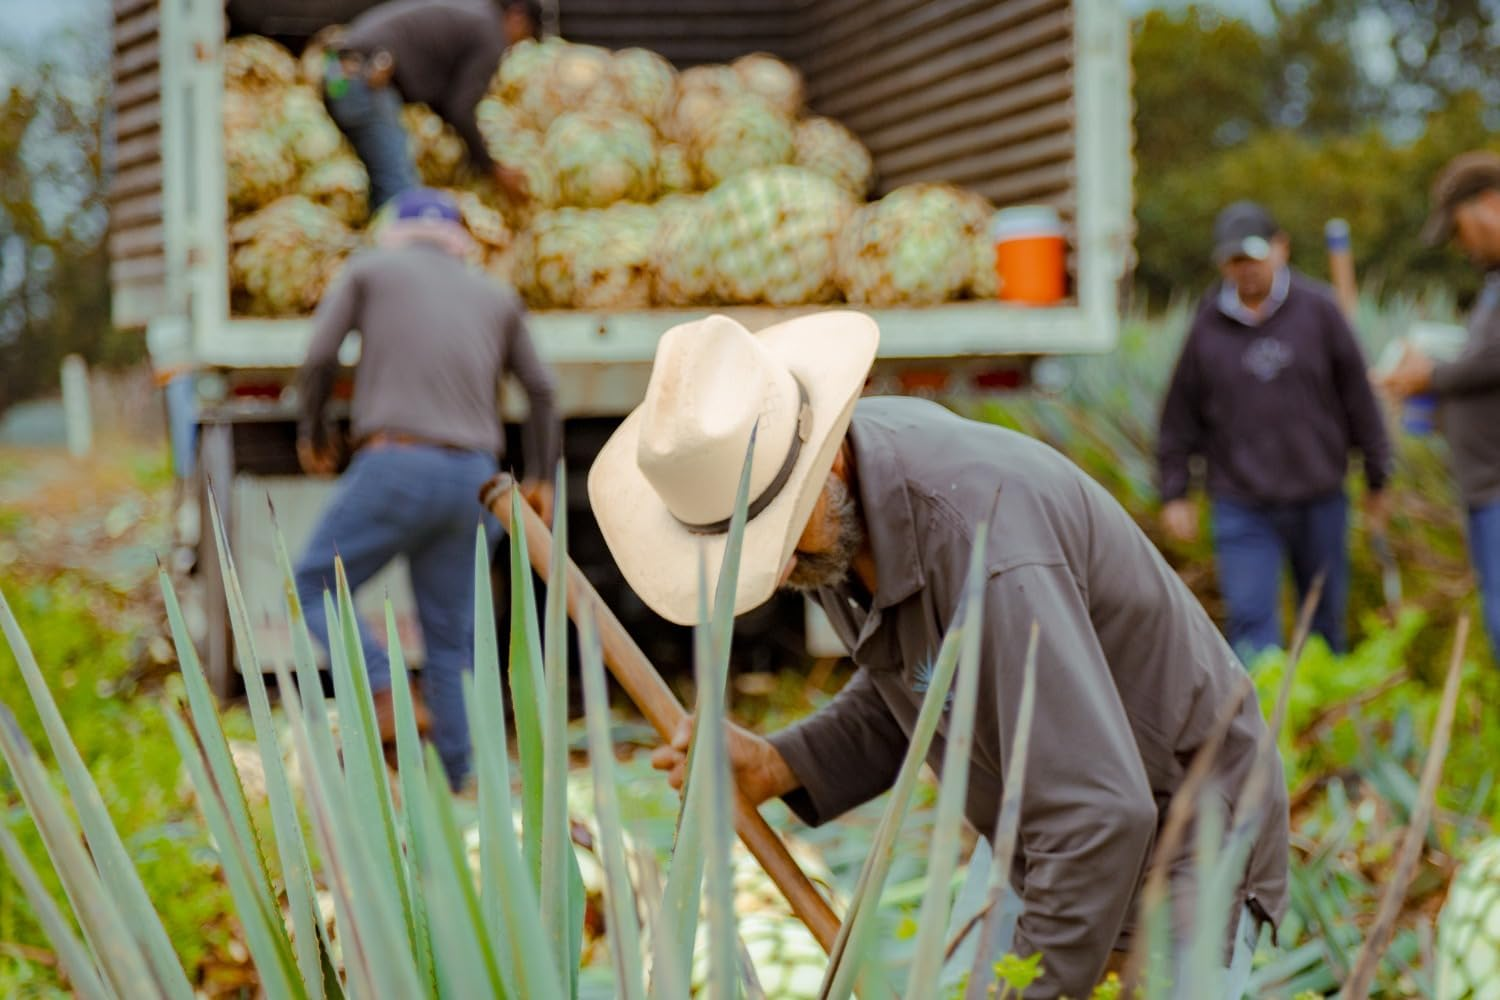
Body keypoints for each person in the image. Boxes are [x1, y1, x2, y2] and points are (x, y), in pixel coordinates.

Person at [588, 313, 1289, 999]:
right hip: (1048, 828)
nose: (776, 571)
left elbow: (1100, 813)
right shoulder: (834, 517)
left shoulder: (986, 551)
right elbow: (927, 681)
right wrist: (782, 763)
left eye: (779, 535)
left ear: (827, 456)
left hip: (1180, 836)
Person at [293, 187, 559, 790]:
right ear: (458, 241)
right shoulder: (496, 295)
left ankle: (383, 687)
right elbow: (543, 390)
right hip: (475, 482)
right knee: (450, 639)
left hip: (397, 465)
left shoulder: (369, 270)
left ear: (396, 233)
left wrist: (314, 431)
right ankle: (463, 780)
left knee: (313, 582)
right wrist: (541, 474)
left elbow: (319, 356)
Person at [1156, 200, 1392, 661]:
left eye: (1253, 257)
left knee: (1323, 622)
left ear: (1281, 248)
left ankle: (1321, 704)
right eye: (1234, 261)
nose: (1245, 269)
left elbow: (1359, 400)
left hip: (1319, 496)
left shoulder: (1319, 311)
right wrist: (1175, 491)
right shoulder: (1207, 325)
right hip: (1241, 502)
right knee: (1250, 624)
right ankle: (1262, 707)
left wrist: (1377, 477)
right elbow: (1179, 416)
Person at [1381, 151, 1500, 656]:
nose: (1459, 244)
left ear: (1489, 204)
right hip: (1484, 485)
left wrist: (1431, 375)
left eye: (1458, 229)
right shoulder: (1493, 283)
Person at [320, 0, 540, 212]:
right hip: (365, 77)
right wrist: (493, 168)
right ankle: (395, 237)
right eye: (524, 37)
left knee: (383, 177)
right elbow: (461, 109)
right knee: (398, 189)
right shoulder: (491, 32)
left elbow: (446, 101)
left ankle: (381, 231)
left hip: (336, 74)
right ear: (518, 17)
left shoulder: (472, 15)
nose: (514, 47)